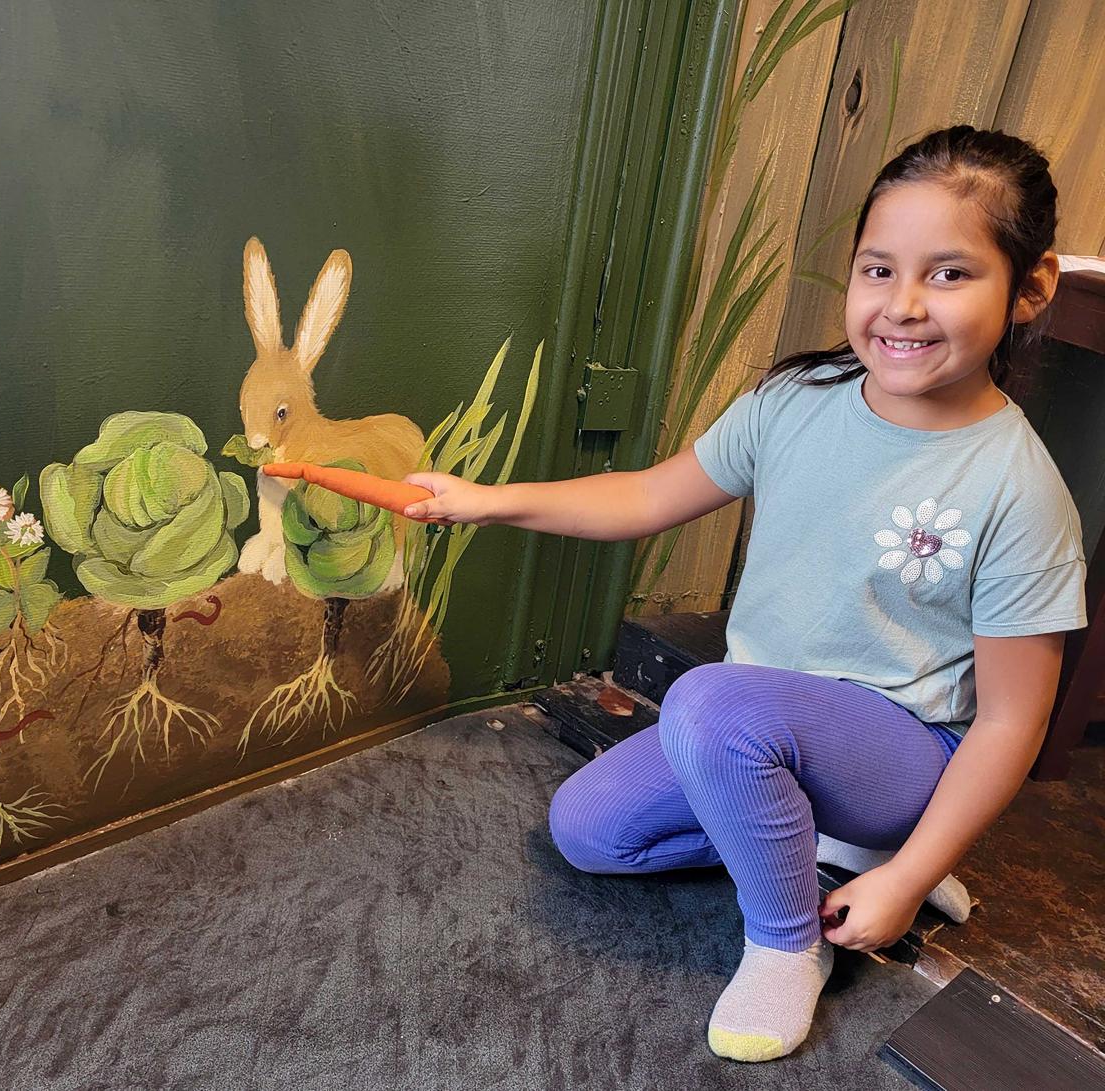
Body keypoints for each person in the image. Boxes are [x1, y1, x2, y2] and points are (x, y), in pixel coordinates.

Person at [402, 125, 1087, 1062]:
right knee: (589, 829)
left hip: (898, 751)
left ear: (1031, 289)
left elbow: (1010, 724)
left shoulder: (1020, 489)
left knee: (710, 704)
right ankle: (824, 853)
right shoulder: (792, 402)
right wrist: (489, 501)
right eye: (877, 270)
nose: (904, 306)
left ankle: (787, 937)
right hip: (755, 724)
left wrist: (914, 869)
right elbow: (648, 494)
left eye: (950, 274)